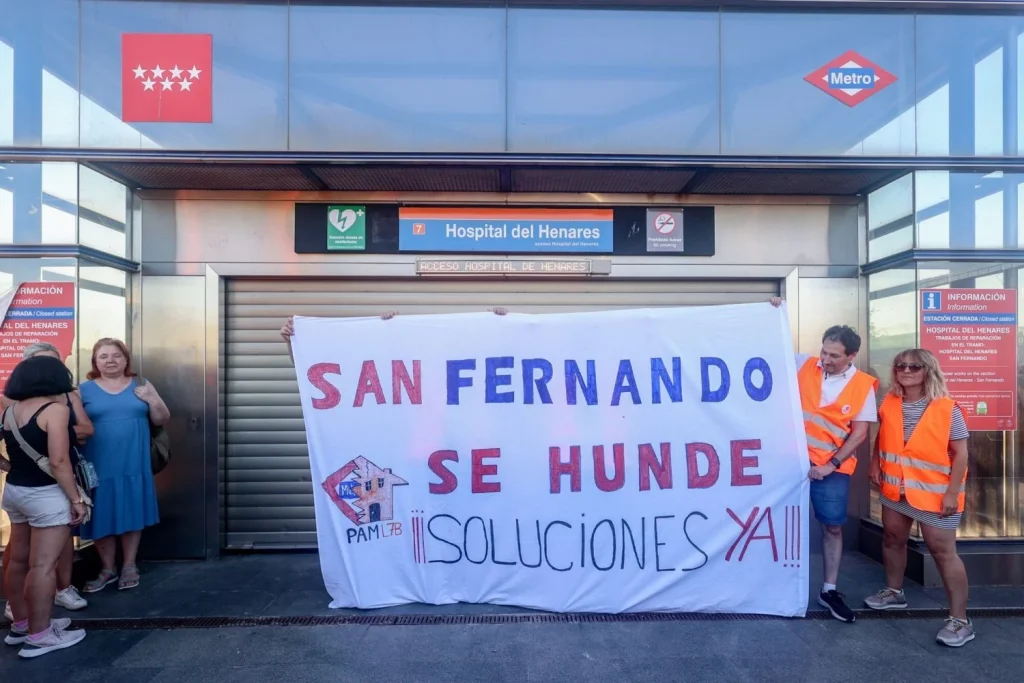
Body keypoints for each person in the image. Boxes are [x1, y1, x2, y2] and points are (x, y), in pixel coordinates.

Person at [770, 297, 878, 623]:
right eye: (824, 351)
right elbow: (768, 347)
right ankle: (770, 583)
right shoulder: (804, 363)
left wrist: (830, 465)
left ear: (851, 356)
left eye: (834, 355)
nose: (826, 359)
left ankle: (829, 589)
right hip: (788, 462)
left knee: (831, 527)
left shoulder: (862, 386)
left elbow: (859, 434)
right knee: (774, 520)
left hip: (829, 469)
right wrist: (772, 313)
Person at [864, 349, 973, 647]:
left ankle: (960, 621)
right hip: (896, 489)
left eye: (914, 366)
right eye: (900, 365)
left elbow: (962, 453)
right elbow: (884, 437)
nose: (906, 370)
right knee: (892, 538)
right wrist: (875, 462)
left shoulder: (947, 408)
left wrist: (952, 492)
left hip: (936, 495)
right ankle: (894, 592)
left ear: (928, 370)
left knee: (942, 553)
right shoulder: (889, 401)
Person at [0, 355, 88, 657]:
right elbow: (59, 461)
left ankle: (22, 624)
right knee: (43, 566)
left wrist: (10, 467)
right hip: (47, 494)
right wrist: (76, 500)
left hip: (15, 491)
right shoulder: (56, 411)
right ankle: (41, 635)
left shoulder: (10, 410)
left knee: (18, 560)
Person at [79, 339, 169, 593]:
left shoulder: (141, 385)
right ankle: (108, 568)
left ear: (126, 359)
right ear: (95, 361)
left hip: (133, 461)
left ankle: (129, 564)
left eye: (116, 355)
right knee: (100, 512)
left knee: (131, 509)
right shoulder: (81, 390)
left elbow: (162, 419)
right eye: (104, 356)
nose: (110, 360)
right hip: (98, 463)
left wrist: (152, 399)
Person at [280, 308, 509, 361]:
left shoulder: (476, 360)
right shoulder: (411, 361)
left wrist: (503, 324)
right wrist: (295, 341)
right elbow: (311, 368)